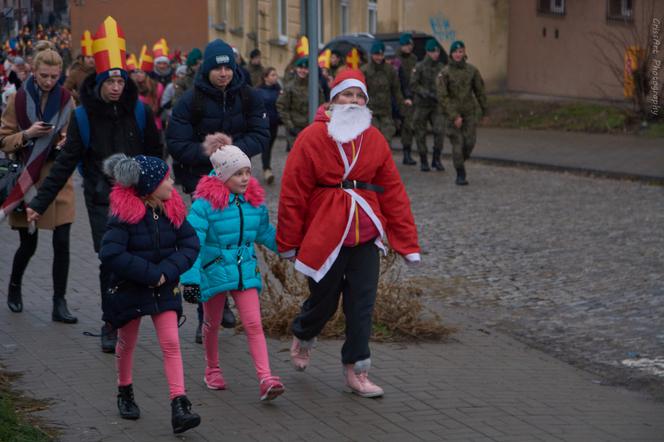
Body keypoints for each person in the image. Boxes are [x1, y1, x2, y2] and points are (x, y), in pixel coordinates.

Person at [277, 69, 421, 398]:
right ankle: (303, 332)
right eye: (347, 95)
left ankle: (357, 371)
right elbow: (293, 192)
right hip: (325, 234)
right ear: (333, 99)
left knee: (362, 305)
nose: (353, 101)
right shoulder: (311, 138)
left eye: (359, 96)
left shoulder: (374, 139)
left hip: (366, 233)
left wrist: (406, 241)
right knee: (324, 302)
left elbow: (394, 192)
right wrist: (288, 241)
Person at [25, 16, 163, 353]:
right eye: (109, 81)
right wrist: (38, 203)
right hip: (103, 200)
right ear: (99, 82)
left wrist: (161, 193)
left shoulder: (140, 113)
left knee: (138, 258)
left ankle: (133, 314)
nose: (116, 87)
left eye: (119, 80)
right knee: (111, 260)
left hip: (139, 199)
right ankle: (111, 322)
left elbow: (157, 156)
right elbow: (65, 165)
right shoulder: (83, 117)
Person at [167, 38, 270, 342]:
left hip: (238, 180)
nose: (223, 73)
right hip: (203, 183)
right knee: (205, 246)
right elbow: (177, 143)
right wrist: (212, 155)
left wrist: (234, 153)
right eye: (218, 68)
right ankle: (205, 315)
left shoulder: (248, 96)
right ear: (208, 69)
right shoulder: (191, 100)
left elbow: (261, 134)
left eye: (228, 67)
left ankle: (227, 298)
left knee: (234, 240)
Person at [99, 154, 201, 434]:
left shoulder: (173, 209)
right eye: (166, 178)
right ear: (149, 185)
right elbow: (110, 253)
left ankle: (179, 404)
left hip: (164, 288)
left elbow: (191, 245)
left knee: (170, 342)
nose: (171, 182)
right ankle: (125, 390)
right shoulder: (124, 215)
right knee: (126, 342)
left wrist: (166, 272)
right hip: (130, 289)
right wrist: (149, 274)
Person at [180, 146, 285, 401]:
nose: (246, 178)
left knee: (253, 323)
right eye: (238, 173)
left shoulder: (254, 203)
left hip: (243, 269)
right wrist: (190, 280)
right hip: (213, 270)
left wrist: (293, 248)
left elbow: (264, 233)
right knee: (212, 323)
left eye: (248, 172)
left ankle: (266, 378)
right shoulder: (204, 206)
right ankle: (212, 369)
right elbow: (192, 243)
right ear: (222, 175)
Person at [0, 48, 77, 323]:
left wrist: (65, 140)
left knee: (62, 242)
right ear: (34, 71)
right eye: (43, 75)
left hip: (58, 179)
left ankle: (60, 302)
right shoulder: (18, 99)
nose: (48, 81)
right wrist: (28, 134)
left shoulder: (68, 101)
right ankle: (14, 287)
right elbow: (4, 139)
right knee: (28, 244)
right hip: (26, 180)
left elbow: (75, 136)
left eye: (54, 77)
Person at [437, 41, 488, 185]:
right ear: (451, 54)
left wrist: (485, 111)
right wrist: (454, 116)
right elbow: (442, 97)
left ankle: (458, 161)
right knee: (457, 145)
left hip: (469, 113)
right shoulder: (445, 73)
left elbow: (480, 92)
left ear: (464, 53)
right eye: (455, 52)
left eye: (461, 51)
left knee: (469, 143)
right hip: (452, 116)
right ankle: (460, 174)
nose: (458, 54)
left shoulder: (472, 71)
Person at [361, 41, 404, 148]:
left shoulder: (389, 70)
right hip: (370, 112)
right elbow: (360, 92)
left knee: (386, 139)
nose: (379, 57)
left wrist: (402, 108)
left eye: (381, 55)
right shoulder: (365, 70)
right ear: (371, 55)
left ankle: (384, 163)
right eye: (376, 55)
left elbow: (396, 90)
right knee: (372, 140)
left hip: (386, 111)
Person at [410, 39, 445, 172]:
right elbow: (413, 84)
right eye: (432, 51)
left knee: (439, 130)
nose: (435, 54)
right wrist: (425, 93)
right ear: (427, 52)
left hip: (436, 105)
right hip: (422, 105)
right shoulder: (419, 67)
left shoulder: (441, 67)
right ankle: (424, 160)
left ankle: (436, 159)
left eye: (437, 51)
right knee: (420, 133)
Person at [276, 57, 324, 152]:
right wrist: (290, 126)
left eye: (306, 69)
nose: (303, 71)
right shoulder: (290, 87)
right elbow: (281, 107)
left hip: (311, 127)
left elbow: (321, 106)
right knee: (298, 156)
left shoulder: (315, 86)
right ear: (296, 69)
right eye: (300, 68)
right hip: (295, 129)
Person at [395, 33, 418, 166]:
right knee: (406, 126)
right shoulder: (397, 60)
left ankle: (408, 153)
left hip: (413, 95)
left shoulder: (414, 58)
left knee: (410, 126)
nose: (409, 47)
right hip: (401, 96)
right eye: (406, 45)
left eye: (410, 45)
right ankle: (406, 153)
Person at [256, 67, 281, 184]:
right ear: (265, 77)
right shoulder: (258, 90)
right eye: (272, 75)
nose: (275, 77)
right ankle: (267, 170)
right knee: (265, 146)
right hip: (263, 124)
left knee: (270, 147)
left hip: (274, 123)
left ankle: (267, 167)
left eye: (276, 75)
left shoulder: (278, 90)